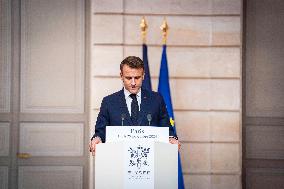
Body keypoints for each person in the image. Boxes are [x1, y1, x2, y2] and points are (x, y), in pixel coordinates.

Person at [89, 56, 180, 155]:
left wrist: (172, 138)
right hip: (118, 159)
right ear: (121, 76)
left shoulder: (156, 99)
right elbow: (101, 131)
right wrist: (97, 138)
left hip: (149, 158)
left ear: (143, 76)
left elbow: (166, 128)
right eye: (128, 78)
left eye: (137, 78)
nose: (133, 83)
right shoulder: (109, 102)